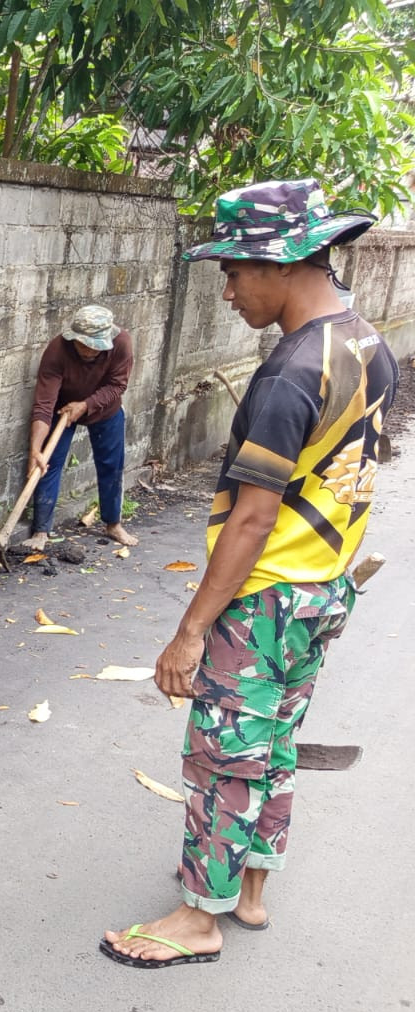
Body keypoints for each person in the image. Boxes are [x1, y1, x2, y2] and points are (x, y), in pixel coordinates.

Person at [101, 179, 395, 968]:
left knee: (223, 754)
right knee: (276, 742)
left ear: (285, 261)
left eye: (235, 271)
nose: (227, 291)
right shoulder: (366, 343)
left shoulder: (290, 372)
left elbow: (253, 519)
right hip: (324, 590)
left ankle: (199, 917)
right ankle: (251, 891)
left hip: (264, 601)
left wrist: (191, 631)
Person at [22, 304, 138, 550]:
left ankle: (113, 524)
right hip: (62, 410)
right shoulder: (57, 350)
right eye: (82, 344)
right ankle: (41, 531)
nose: (87, 350)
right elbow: (43, 404)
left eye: (94, 346)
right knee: (47, 463)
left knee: (111, 466)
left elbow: (118, 386)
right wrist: (36, 450)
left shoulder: (121, 344)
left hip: (105, 409)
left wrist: (85, 405)